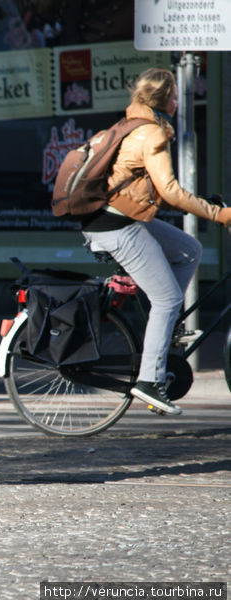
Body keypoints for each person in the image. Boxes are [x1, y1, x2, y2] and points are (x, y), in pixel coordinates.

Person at [79, 67, 231, 415]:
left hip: (116, 218)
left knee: (189, 249)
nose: (179, 101)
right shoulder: (151, 134)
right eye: (176, 95)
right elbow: (171, 192)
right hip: (114, 225)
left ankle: (164, 330)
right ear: (165, 100)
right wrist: (219, 215)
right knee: (167, 297)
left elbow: (152, 191)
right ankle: (149, 381)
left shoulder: (132, 125)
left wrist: (205, 203)